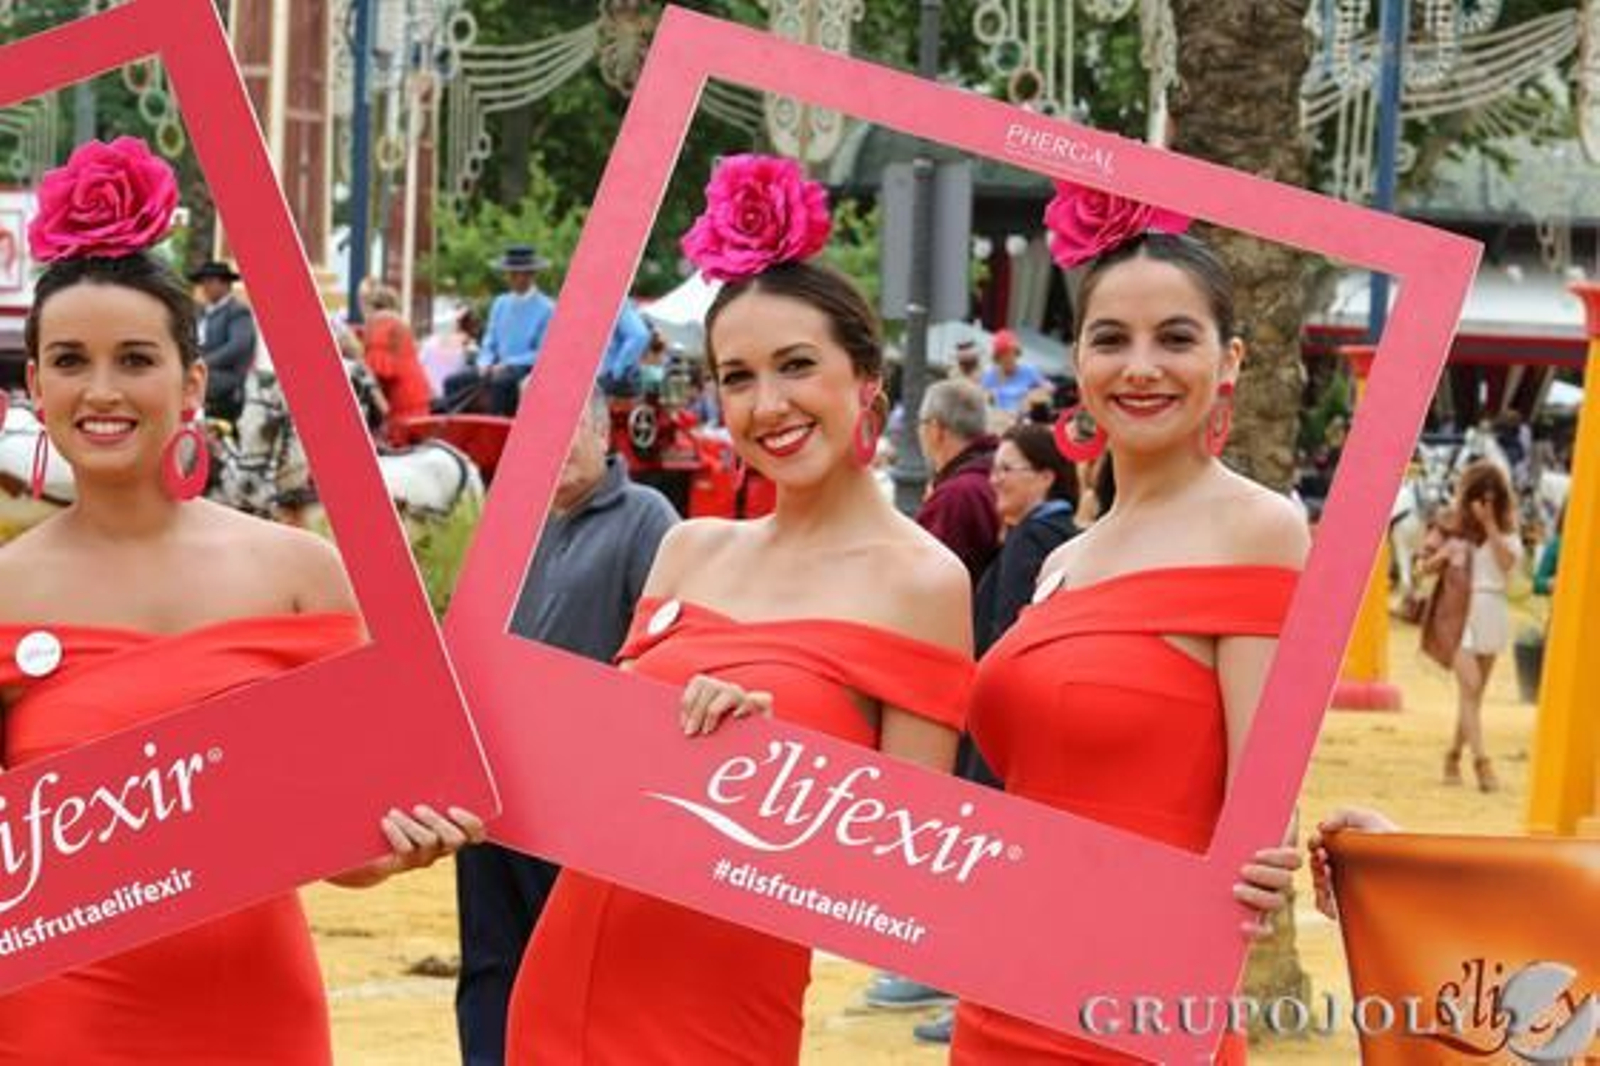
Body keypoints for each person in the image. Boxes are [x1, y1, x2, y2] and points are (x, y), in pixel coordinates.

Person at [0, 136, 483, 1064]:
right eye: (69, 360)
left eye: (134, 359)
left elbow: (350, 843)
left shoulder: (298, 573)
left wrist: (398, 841)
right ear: (35, 385)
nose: (101, 390)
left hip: (251, 1017)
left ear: (191, 384)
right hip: (52, 1024)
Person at [505, 152, 977, 1065]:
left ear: (866, 378)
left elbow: (902, 889)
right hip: (562, 981)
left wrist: (774, 771)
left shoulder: (922, 582)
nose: (768, 405)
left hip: (717, 1008)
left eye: (796, 366)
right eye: (737, 376)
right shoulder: (688, 547)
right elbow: (603, 780)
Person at [950, 185, 1310, 1063]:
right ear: (1079, 360)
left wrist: (1287, 853)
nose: (1141, 367)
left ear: (1230, 361)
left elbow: (1266, 805)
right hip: (996, 991)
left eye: (1175, 339)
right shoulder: (1063, 558)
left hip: (1142, 1007)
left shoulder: (1259, 528)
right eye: (1111, 339)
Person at [455, 389, 677, 1066]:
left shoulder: (647, 519)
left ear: (603, 432)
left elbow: (666, 652)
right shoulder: (515, 525)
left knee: (575, 966)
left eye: (568, 428)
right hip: (496, 784)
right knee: (492, 961)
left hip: (584, 796)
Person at [1427, 461, 1521, 793]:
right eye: (1481, 497)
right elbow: (1424, 564)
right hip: (1458, 614)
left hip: (1492, 610)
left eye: (1493, 498)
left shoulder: (1507, 532)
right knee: (1471, 684)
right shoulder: (1451, 529)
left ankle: (1453, 755)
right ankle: (1483, 764)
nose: (1486, 503)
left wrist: (1490, 525)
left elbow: (1507, 564)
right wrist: (1441, 558)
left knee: (1472, 697)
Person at [916, 378, 1002, 582]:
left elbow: (926, 575)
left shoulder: (956, 494)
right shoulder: (996, 470)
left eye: (921, 423)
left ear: (935, 429)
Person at [478, 244, 556, 417]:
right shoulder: (500, 303)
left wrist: (509, 363)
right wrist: (484, 362)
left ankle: (496, 427)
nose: (510, 278)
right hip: (496, 366)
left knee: (501, 383)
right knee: (455, 381)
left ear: (530, 275)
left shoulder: (547, 308)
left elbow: (543, 352)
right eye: (509, 273)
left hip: (525, 368)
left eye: (515, 274)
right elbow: (489, 340)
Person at [358, 282, 432, 439]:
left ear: (370, 306)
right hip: (417, 397)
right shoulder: (398, 323)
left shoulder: (380, 323)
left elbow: (373, 374)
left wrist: (385, 414)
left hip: (401, 404)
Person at [190, 259, 256, 424]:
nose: (205, 286)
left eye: (210, 281)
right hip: (202, 372)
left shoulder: (237, 312)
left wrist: (203, 362)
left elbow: (238, 346)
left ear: (225, 284)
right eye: (203, 282)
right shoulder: (202, 312)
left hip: (226, 377)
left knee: (185, 382)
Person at [980, 327, 1049, 417]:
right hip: (999, 417)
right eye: (1003, 354)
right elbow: (982, 398)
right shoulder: (990, 374)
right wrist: (989, 399)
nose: (1008, 358)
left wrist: (1031, 397)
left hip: (1024, 418)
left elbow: (1048, 390)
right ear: (997, 357)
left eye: (1011, 353)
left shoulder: (1029, 370)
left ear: (1016, 353)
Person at [419, 304, 480, 399]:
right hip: (453, 401)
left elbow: (419, 367)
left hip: (427, 397)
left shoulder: (428, 342)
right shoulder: (471, 348)